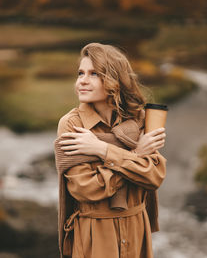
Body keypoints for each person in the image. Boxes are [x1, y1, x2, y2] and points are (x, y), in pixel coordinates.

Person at [54, 43, 167, 258]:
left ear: (115, 79)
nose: (82, 81)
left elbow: (154, 176)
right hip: (95, 234)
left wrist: (102, 150)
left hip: (136, 230)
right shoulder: (72, 124)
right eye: (80, 73)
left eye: (94, 74)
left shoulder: (139, 119)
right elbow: (86, 189)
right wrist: (135, 157)